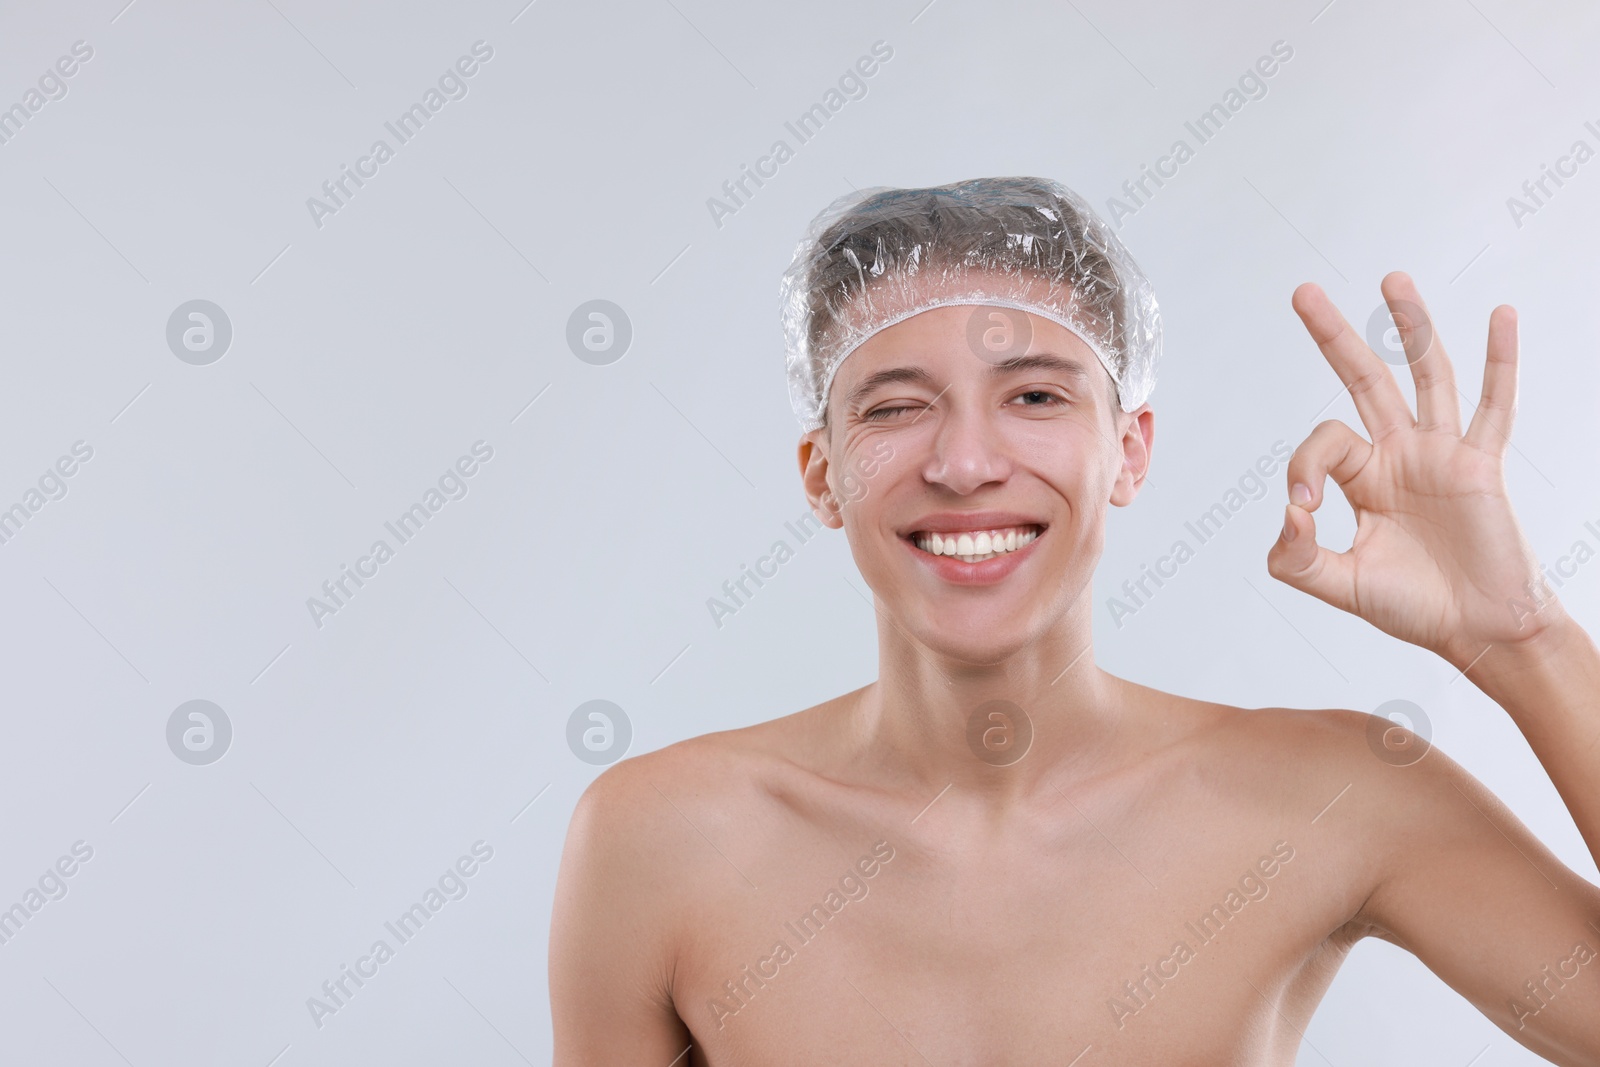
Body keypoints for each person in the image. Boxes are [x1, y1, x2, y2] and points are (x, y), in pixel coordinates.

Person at [548, 177, 1600, 1065]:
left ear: (1129, 449)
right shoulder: (661, 838)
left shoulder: (1335, 794)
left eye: (1036, 397)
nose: (964, 462)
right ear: (823, 475)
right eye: (895, 405)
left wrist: (1522, 639)